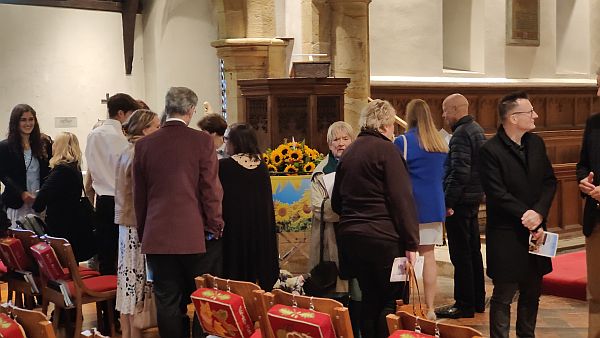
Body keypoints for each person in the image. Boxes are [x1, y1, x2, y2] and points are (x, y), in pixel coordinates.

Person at [133, 87, 224, 338]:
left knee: (167, 300)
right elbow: (210, 189)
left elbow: (139, 197)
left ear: (167, 107)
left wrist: (144, 231)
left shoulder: (144, 145)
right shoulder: (202, 141)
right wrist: (215, 224)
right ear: (192, 110)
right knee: (201, 299)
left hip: (157, 234)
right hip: (194, 234)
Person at [332, 99, 419, 338]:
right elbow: (402, 200)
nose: (393, 131)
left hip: (352, 239)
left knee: (369, 298)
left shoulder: (349, 152)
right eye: (392, 126)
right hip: (383, 239)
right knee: (390, 301)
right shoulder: (387, 151)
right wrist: (411, 243)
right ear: (384, 125)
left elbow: (336, 202)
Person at [479, 91, 556, 338]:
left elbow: (549, 182)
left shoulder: (536, 143)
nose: (536, 115)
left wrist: (539, 214)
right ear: (513, 118)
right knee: (503, 295)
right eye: (530, 111)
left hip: (537, 230)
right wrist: (527, 215)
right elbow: (497, 192)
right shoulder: (490, 150)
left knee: (532, 292)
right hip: (506, 233)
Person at [394, 99, 448, 320]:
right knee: (429, 254)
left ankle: (403, 303)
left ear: (409, 116)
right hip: (434, 204)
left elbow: (396, 176)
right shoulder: (441, 143)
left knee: (404, 254)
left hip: (410, 206)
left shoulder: (403, 142)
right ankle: (431, 307)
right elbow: (444, 176)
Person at [435, 93, 486, 319]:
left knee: (461, 255)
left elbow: (459, 173)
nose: (444, 115)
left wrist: (448, 202)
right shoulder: (476, 129)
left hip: (461, 202)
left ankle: (463, 304)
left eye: (445, 110)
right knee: (473, 251)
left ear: (455, 110)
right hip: (472, 199)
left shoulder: (460, 135)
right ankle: (477, 300)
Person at [114, 109, 160, 338]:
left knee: (128, 283)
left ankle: (127, 333)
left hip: (127, 224)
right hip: (137, 225)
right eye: (156, 126)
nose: (160, 131)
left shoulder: (127, 151)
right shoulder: (140, 152)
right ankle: (133, 333)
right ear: (144, 129)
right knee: (136, 286)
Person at [219, 123, 279, 290]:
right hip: (260, 229)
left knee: (235, 275)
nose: (225, 144)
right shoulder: (261, 166)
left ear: (235, 142)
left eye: (227, 139)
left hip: (235, 230)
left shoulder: (224, 166)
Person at [85, 93, 140, 275]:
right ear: (121, 113)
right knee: (123, 254)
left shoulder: (93, 134)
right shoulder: (120, 138)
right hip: (119, 200)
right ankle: (118, 297)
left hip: (101, 200)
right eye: (132, 113)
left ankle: (104, 303)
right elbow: (127, 170)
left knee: (105, 254)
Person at [32, 132, 95, 262]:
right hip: (73, 222)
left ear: (59, 147)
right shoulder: (74, 167)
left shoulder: (61, 171)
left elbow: (40, 201)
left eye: (54, 144)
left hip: (60, 224)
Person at [309, 121, 355, 292]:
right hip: (331, 235)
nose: (341, 143)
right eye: (336, 140)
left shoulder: (361, 165)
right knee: (336, 287)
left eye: (345, 138)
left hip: (356, 233)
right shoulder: (321, 172)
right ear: (329, 144)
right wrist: (349, 210)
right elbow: (317, 207)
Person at [576, 67, 600, 338]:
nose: (598, 92)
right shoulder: (594, 123)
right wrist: (584, 182)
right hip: (596, 219)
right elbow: (582, 164)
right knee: (596, 290)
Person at [0, 104, 52, 227]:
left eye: (31, 119)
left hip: (38, 203)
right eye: (23, 120)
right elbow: (3, 175)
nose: (28, 123)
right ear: (16, 122)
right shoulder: (5, 147)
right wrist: (21, 193)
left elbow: (49, 170)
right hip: (16, 203)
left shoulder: (44, 143)